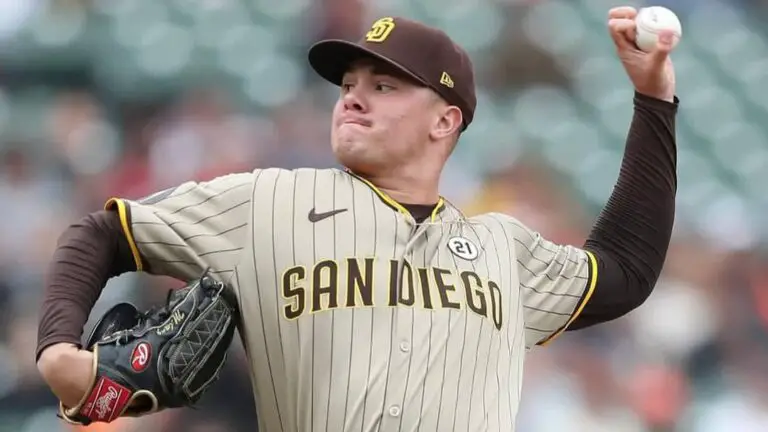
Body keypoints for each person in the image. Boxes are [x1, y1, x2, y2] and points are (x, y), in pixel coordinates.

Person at [36, 7, 679, 431]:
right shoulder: (265, 203)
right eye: (348, 82)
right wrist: (58, 350)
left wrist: (653, 100)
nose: (353, 95)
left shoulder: (501, 245)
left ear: (445, 119)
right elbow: (102, 233)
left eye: (384, 84)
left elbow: (625, 269)